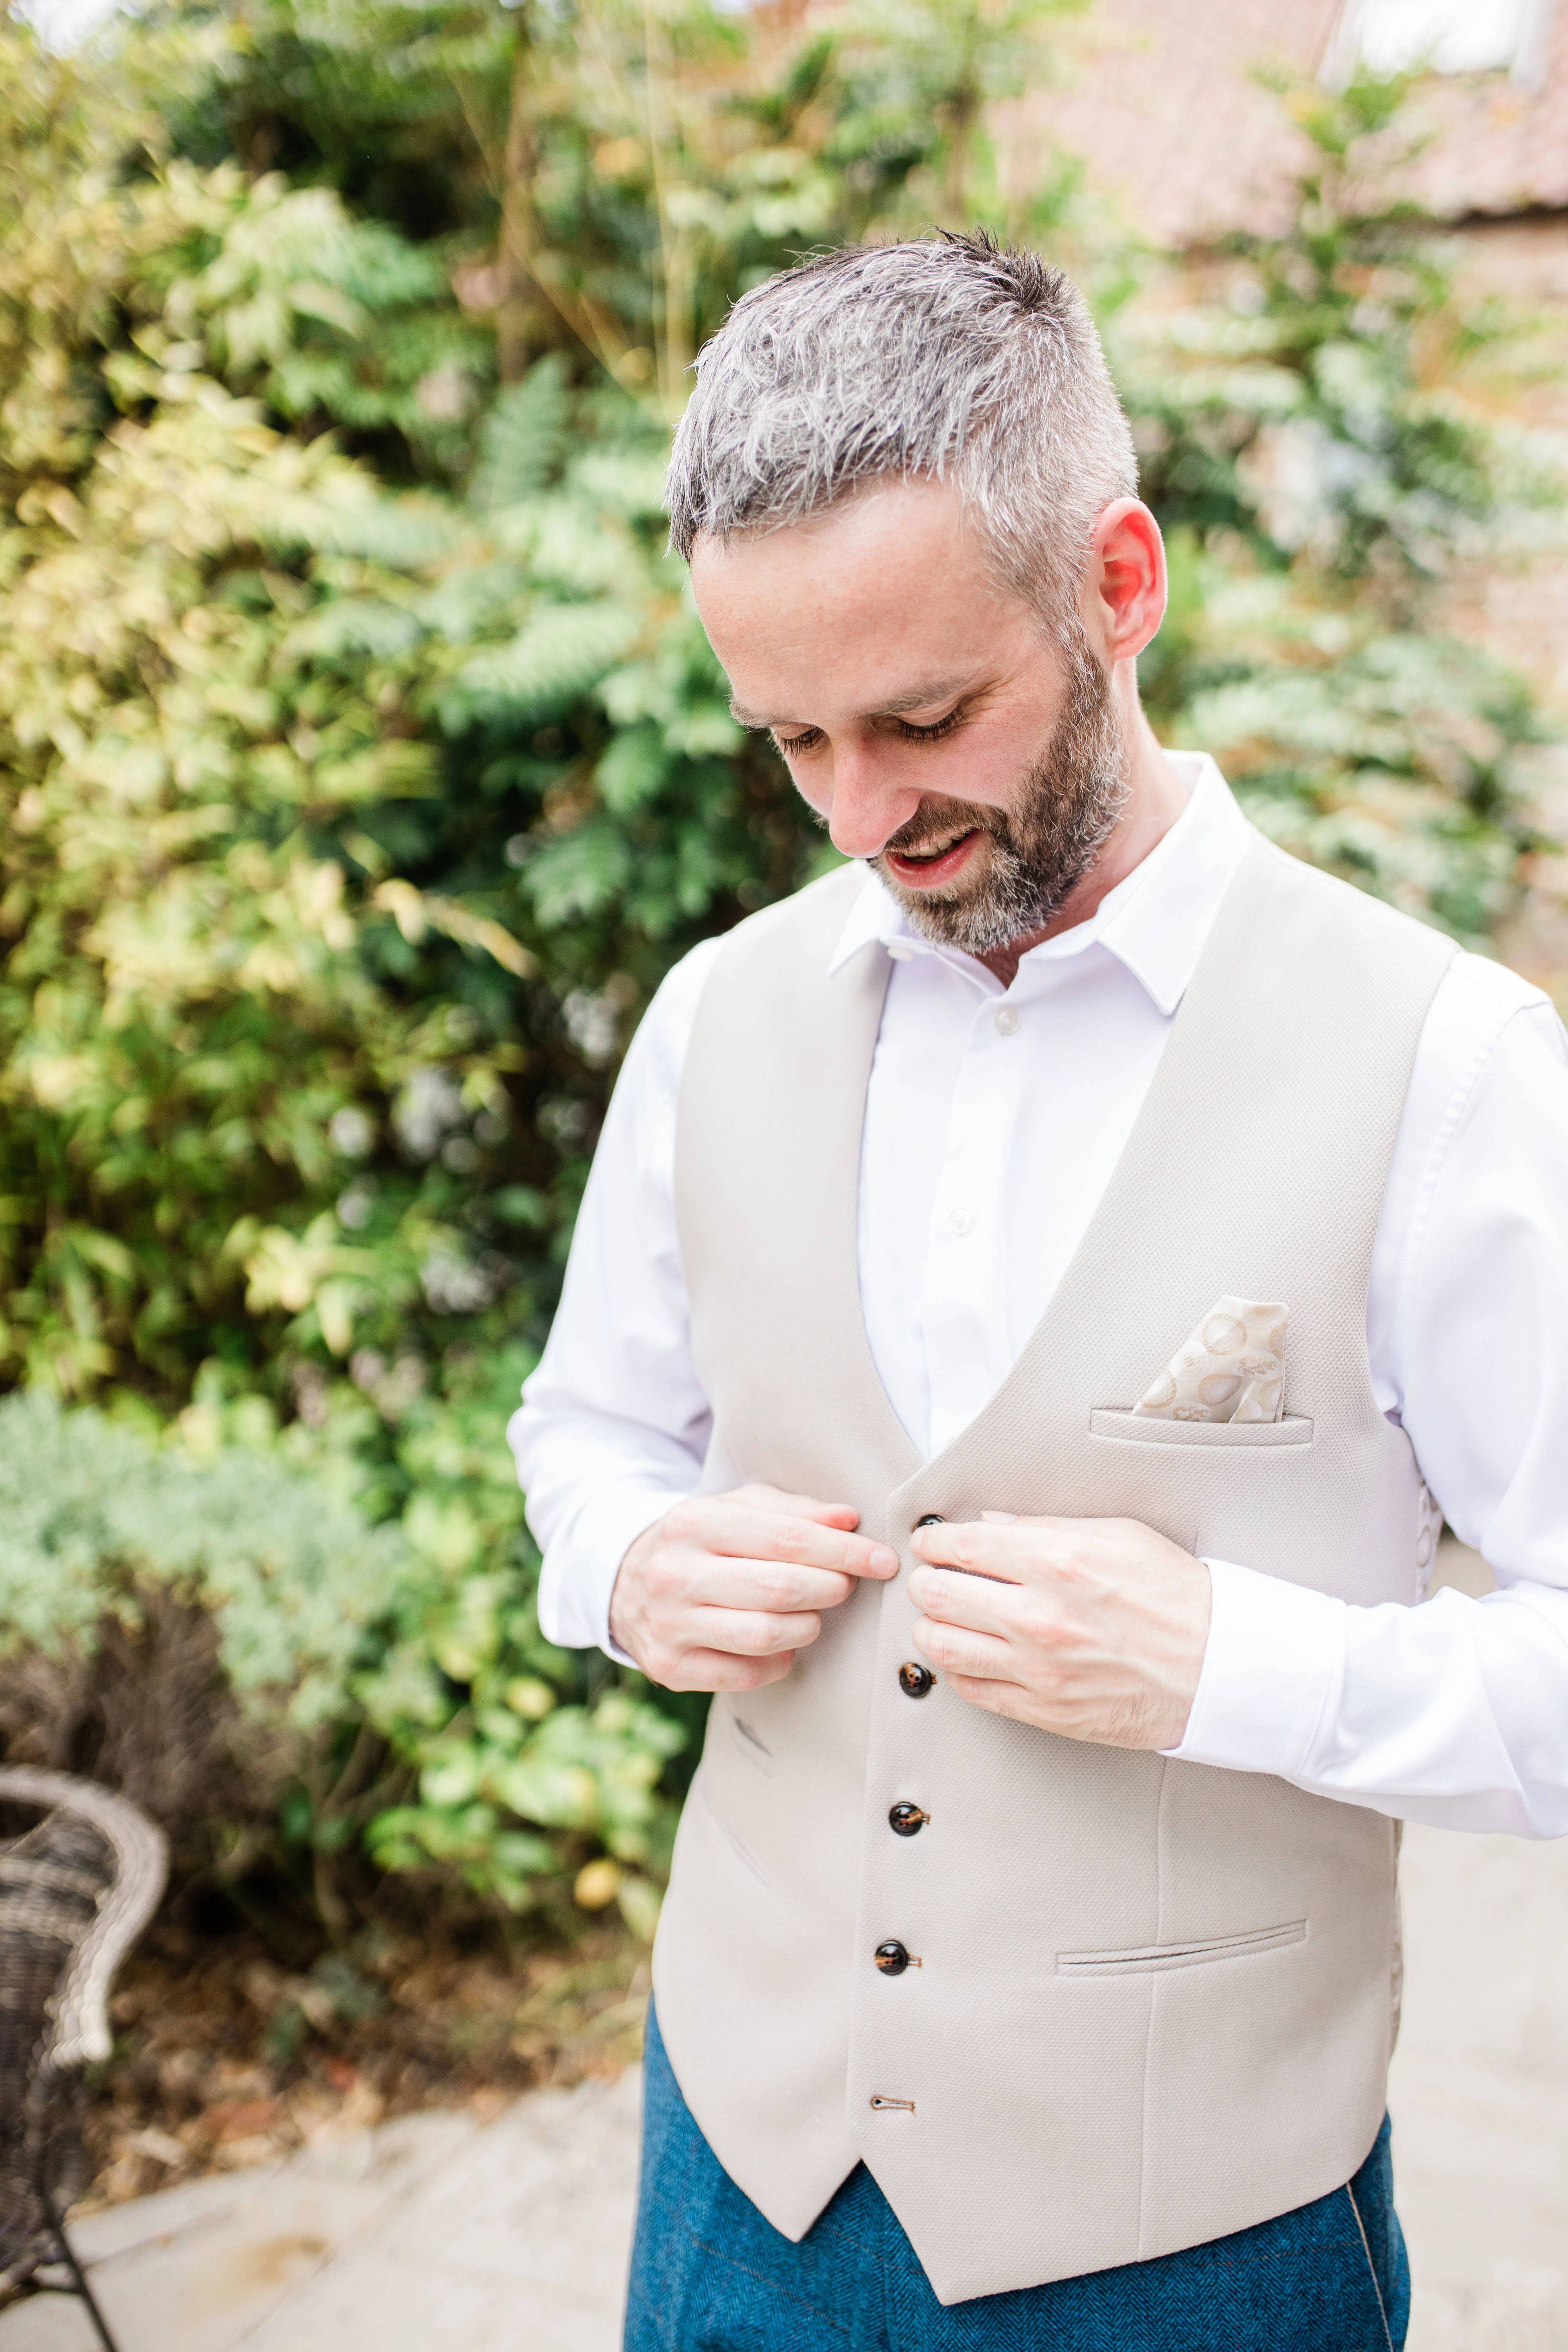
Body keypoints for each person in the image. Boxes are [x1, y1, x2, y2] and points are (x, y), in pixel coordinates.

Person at [509, 235, 1568, 2352]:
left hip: (1199, 2237)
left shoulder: (1446, 1065)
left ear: (1119, 581)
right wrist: (621, 1563)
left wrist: (1239, 1669)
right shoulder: (716, 1015)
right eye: (791, 738)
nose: (860, 811)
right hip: (735, 2182)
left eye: (925, 718)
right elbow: (589, 1428)